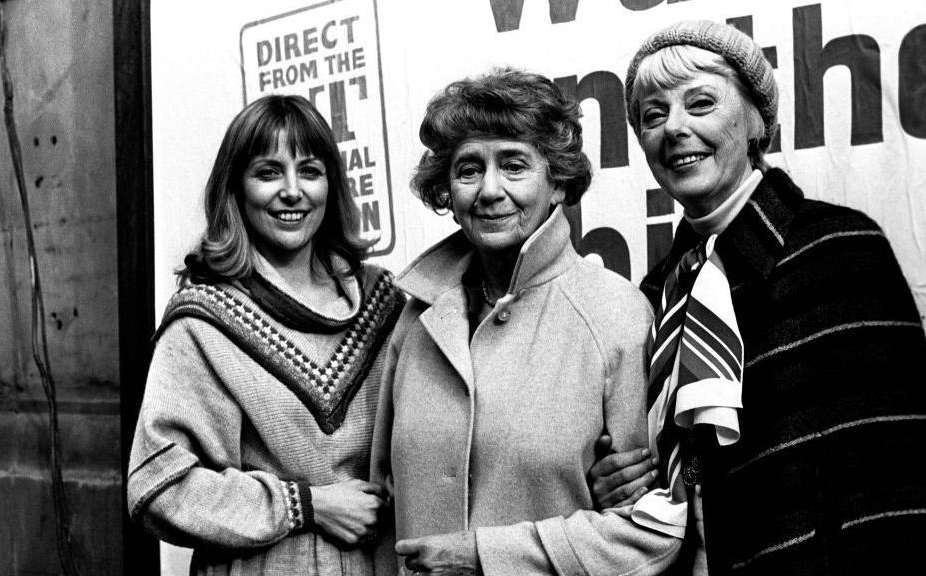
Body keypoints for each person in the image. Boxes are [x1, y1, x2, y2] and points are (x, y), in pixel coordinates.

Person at [594, 19, 926, 575]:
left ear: (756, 119)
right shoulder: (660, 289)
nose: (674, 128)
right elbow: (689, 467)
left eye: (701, 103)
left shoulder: (838, 247)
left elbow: (901, 470)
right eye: (653, 115)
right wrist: (629, 480)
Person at [370, 67, 681, 575]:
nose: (489, 190)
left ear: (557, 182)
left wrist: (488, 557)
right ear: (446, 189)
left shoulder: (615, 315)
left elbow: (653, 532)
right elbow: (385, 501)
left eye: (514, 165)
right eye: (468, 170)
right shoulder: (417, 318)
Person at [126, 94, 405, 575]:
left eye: (310, 171)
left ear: (331, 186)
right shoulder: (203, 323)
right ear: (236, 188)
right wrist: (304, 505)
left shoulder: (387, 303)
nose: (293, 191)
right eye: (268, 172)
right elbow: (159, 485)